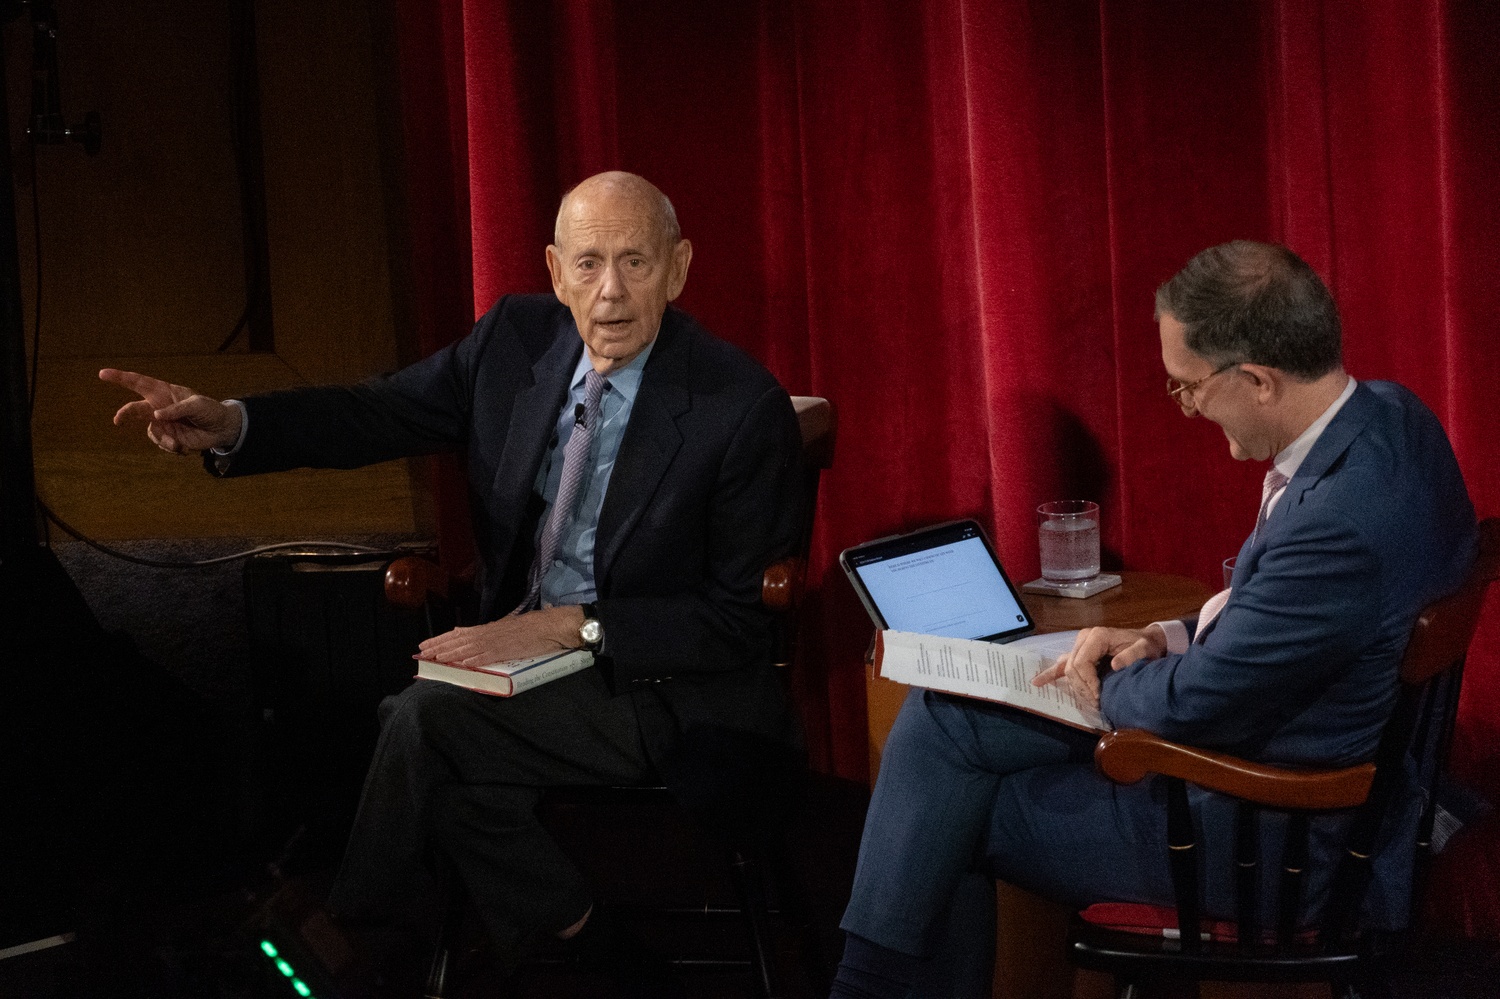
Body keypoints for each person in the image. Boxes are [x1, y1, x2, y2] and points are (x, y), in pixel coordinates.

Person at [100, 171, 805, 973]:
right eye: (588, 263)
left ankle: (348, 946)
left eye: (635, 263)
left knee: (422, 721)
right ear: (555, 271)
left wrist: (578, 624)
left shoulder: (739, 406)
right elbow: (377, 411)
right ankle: (591, 943)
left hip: (657, 684)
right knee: (451, 777)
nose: (610, 291)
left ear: (677, 269)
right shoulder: (515, 340)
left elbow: (737, 622)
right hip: (519, 655)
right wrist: (233, 422)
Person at [830, 241, 1477, 999]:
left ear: (1258, 380)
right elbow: (1278, 614)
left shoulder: (1338, 525)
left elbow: (1197, 703)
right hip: (1287, 757)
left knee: (950, 810)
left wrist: (1094, 680)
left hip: (1270, 837)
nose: (1188, 407)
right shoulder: (1393, 417)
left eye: (1189, 386)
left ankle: (863, 986)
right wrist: (1159, 636)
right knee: (943, 718)